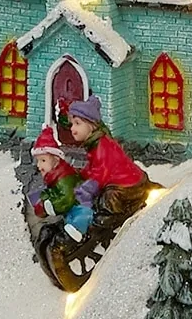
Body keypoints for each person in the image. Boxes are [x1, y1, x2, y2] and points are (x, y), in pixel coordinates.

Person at [62, 95, 149, 239]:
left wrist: (86, 189)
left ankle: (97, 225)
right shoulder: (94, 144)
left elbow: (101, 172)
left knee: (107, 201)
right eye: (72, 124)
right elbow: (94, 167)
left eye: (77, 123)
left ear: (91, 125)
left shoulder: (102, 145)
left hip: (127, 184)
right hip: (121, 180)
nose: (73, 129)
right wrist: (82, 174)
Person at [23, 124, 84, 227]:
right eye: (38, 161)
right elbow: (54, 191)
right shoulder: (54, 175)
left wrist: (47, 207)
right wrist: (43, 197)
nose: (39, 166)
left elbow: (67, 198)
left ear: (56, 160)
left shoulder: (64, 177)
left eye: (43, 160)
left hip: (80, 209)